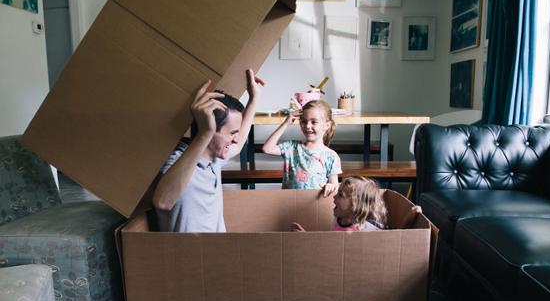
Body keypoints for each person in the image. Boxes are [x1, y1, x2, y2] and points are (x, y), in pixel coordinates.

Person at [152, 69, 264, 232]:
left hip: (217, 252)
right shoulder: (178, 161)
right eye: (232, 133)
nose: (235, 139)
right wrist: (205, 132)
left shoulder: (214, 159)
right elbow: (163, 202)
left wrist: (254, 98)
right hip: (189, 256)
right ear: (209, 130)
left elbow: (239, 144)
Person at [262, 100, 341, 197]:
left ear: (327, 125)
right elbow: (267, 148)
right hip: (288, 205)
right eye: (304, 121)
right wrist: (285, 124)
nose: (307, 126)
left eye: (314, 122)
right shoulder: (292, 147)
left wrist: (331, 186)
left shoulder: (331, 156)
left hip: (314, 207)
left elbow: (334, 185)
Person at [291, 176, 422, 232]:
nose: (334, 196)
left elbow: (396, 238)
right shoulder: (338, 218)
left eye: (340, 195)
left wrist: (408, 219)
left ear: (356, 204)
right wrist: (306, 237)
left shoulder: (368, 228)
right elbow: (328, 243)